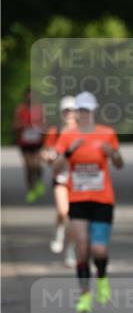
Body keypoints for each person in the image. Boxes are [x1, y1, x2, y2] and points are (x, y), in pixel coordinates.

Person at [53, 91, 124, 313]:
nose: (83, 114)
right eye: (80, 110)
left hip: (102, 199)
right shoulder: (67, 136)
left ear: (93, 111)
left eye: (87, 110)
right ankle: (85, 294)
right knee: (82, 248)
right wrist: (67, 153)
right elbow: (55, 169)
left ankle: (101, 278)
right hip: (78, 199)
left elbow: (120, 163)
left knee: (99, 249)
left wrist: (112, 153)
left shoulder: (107, 133)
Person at [42, 96, 78, 255]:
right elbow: (45, 152)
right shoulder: (54, 131)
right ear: (61, 113)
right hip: (61, 177)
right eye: (66, 110)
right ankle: (59, 232)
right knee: (63, 212)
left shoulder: (84, 131)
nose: (69, 113)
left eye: (72, 110)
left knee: (74, 217)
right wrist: (47, 156)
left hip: (79, 179)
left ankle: (71, 249)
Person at [13, 89, 45, 203]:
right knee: (28, 166)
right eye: (28, 96)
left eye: (32, 96)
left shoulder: (39, 109)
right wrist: (24, 125)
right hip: (25, 142)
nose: (30, 99)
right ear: (25, 97)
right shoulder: (20, 109)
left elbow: (45, 123)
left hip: (37, 142)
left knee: (36, 165)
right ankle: (31, 190)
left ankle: (39, 180)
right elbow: (15, 124)